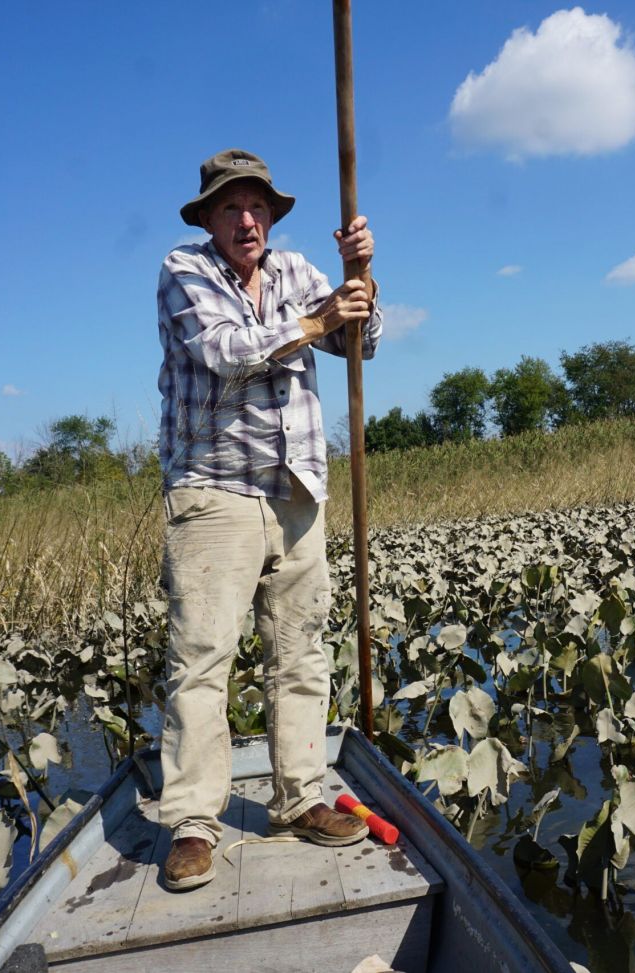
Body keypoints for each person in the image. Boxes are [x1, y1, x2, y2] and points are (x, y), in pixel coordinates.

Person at [155, 148, 381, 891]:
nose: (246, 219)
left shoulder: (299, 272)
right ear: (209, 219)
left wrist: (362, 283)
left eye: (257, 206)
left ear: (271, 215)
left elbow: (361, 344)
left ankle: (300, 797)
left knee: (301, 650)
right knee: (202, 658)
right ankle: (192, 820)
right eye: (231, 207)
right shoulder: (183, 270)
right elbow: (225, 352)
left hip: (298, 488)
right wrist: (320, 317)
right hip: (214, 489)